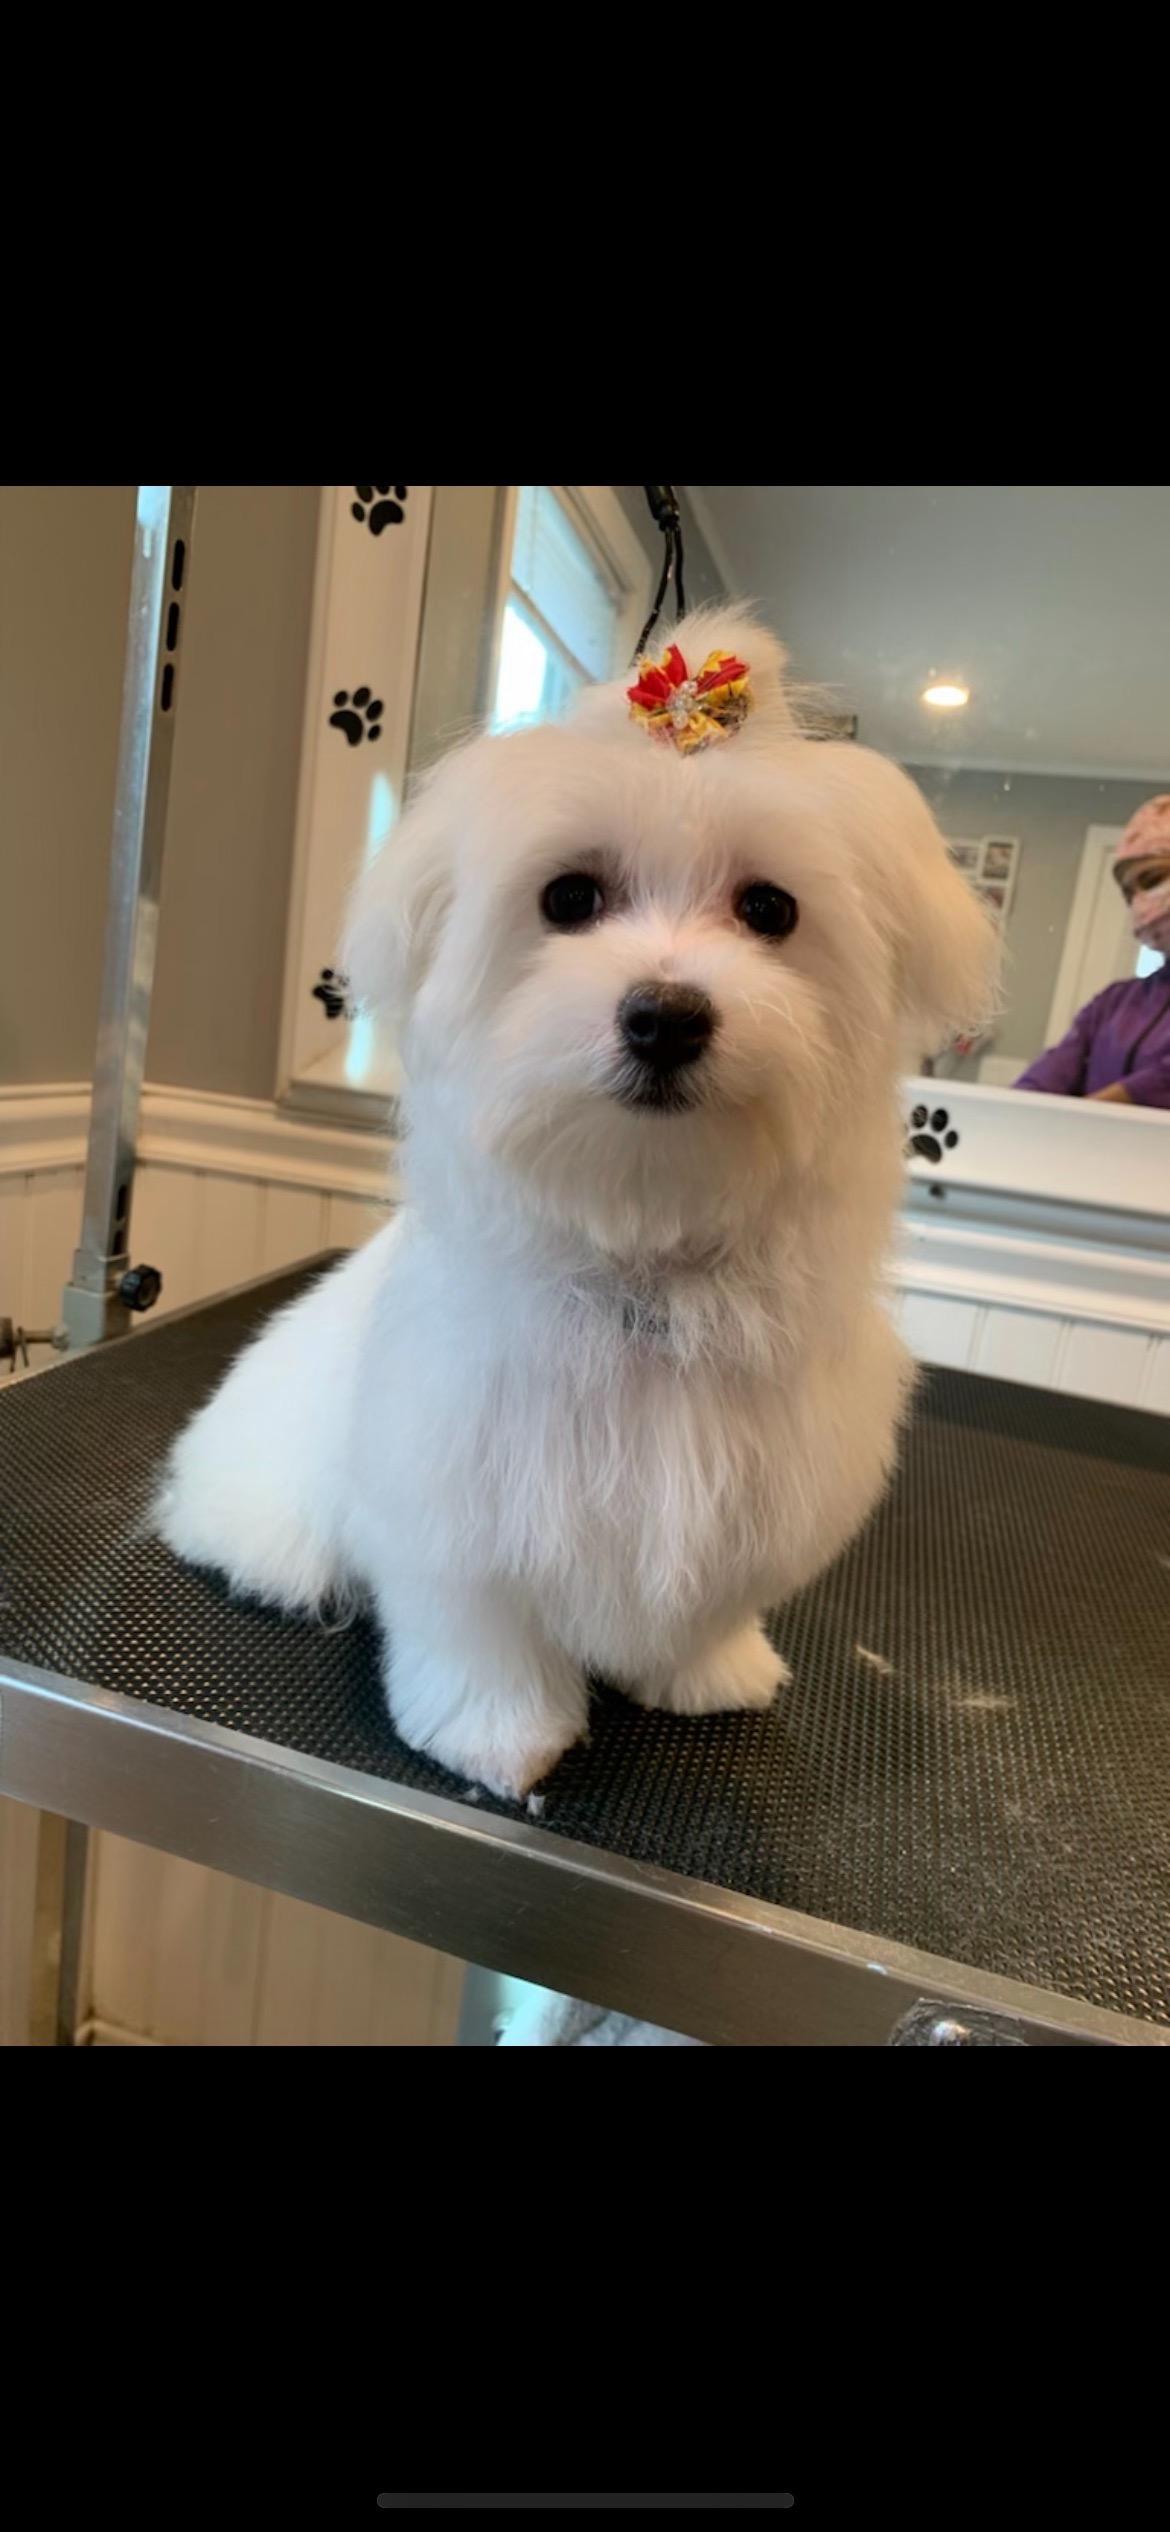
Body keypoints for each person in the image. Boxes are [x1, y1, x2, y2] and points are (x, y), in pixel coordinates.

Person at [1015, 796, 1170, 1107]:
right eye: (1128, 893)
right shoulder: (1114, 1002)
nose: (1139, 902)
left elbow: (1159, 1082)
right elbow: (1051, 1073)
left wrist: (1086, 1116)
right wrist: (1008, 1111)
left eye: (1151, 879)